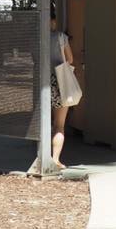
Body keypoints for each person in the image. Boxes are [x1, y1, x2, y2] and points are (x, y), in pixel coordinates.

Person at [50, 9, 74, 170]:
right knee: (59, 125)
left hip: (43, 81)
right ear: (53, 21)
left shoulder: (36, 38)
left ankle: (41, 156)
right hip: (59, 82)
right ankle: (55, 159)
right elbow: (70, 59)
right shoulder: (61, 37)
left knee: (43, 123)